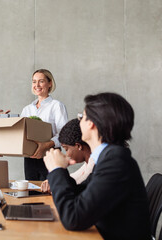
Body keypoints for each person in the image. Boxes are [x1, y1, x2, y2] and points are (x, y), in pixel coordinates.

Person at [44, 92, 151, 239]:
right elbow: (82, 193)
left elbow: (74, 218)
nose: (79, 121)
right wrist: (59, 172)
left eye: (82, 117)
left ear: (92, 123)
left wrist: (57, 170)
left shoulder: (116, 162)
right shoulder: (109, 157)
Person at [20, 69, 68, 180]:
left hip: (51, 156)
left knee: (50, 192)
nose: (37, 85)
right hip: (30, 159)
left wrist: (44, 145)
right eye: (34, 81)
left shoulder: (56, 106)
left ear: (50, 83)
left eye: (41, 81)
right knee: (32, 193)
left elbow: (63, 135)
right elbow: (20, 135)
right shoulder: (27, 109)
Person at [41, 118, 94, 192]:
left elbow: (76, 186)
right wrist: (53, 179)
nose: (67, 154)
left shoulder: (94, 164)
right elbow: (75, 177)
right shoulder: (88, 163)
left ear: (78, 146)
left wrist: (57, 170)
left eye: (66, 149)